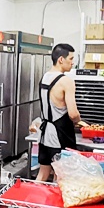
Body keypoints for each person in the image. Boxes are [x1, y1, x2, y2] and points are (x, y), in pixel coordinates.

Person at [36, 43, 81, 182]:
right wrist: (79, 121)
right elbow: (73, 114)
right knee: (61, 176)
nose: (73, 63)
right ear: (61, 59)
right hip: (60, 135)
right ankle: (55, 203)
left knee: (43, 173)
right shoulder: (66, 81)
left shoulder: (44, 77)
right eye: (71, 59)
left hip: (44, 135)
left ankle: (31, 202)